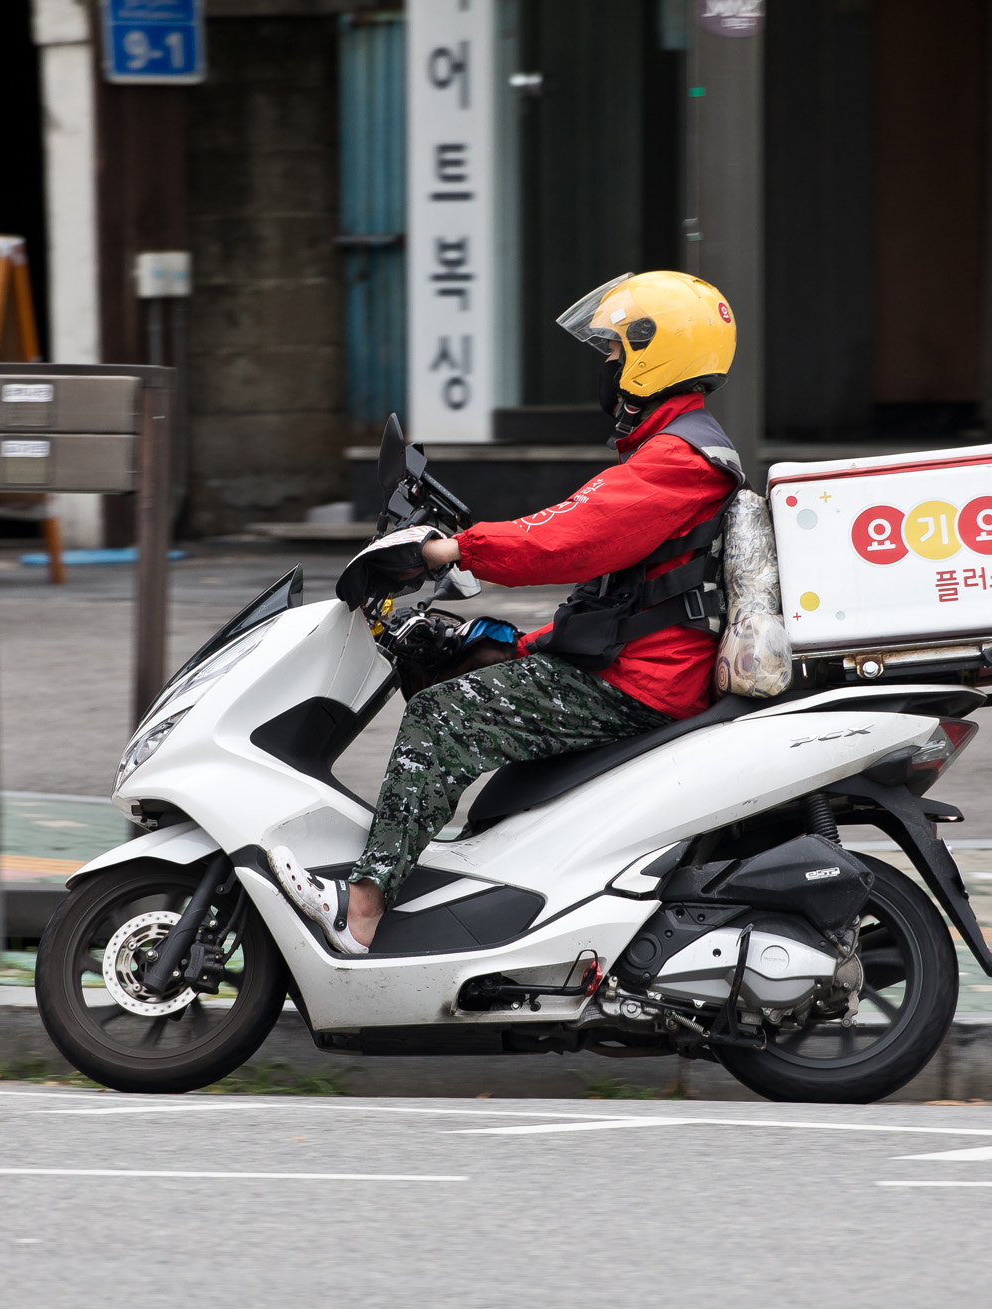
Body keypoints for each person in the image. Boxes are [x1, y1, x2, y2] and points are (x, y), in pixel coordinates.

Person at [271, 270, 744, 954]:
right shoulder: (673, 449)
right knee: (470, 664)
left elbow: (567, 539)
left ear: (653, 355)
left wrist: (451, 550)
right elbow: (623, 596)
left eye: (613, 355)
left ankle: (363, 909)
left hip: (642, 685)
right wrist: (524, 647)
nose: (607, 372)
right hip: (640, 666)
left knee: (446, 715)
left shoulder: (678, 459)